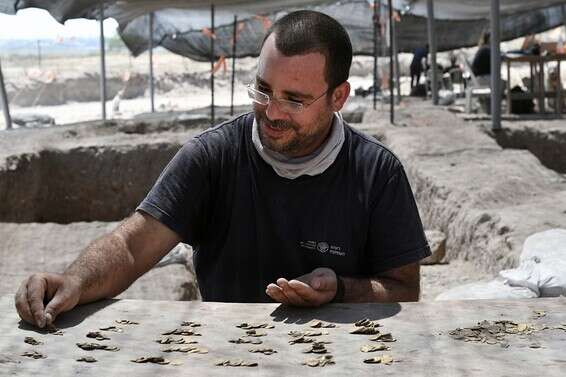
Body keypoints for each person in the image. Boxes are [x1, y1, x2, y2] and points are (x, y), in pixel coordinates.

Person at [15, 10, 431, 329]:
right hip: (228, 356)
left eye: (294, 100)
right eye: (263, 90)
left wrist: (341, 290)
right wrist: (73, 281)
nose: (272, 112)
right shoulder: (211, 157)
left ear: (338, 97)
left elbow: (404, 289)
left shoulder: (377, 172)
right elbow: (131, 246)